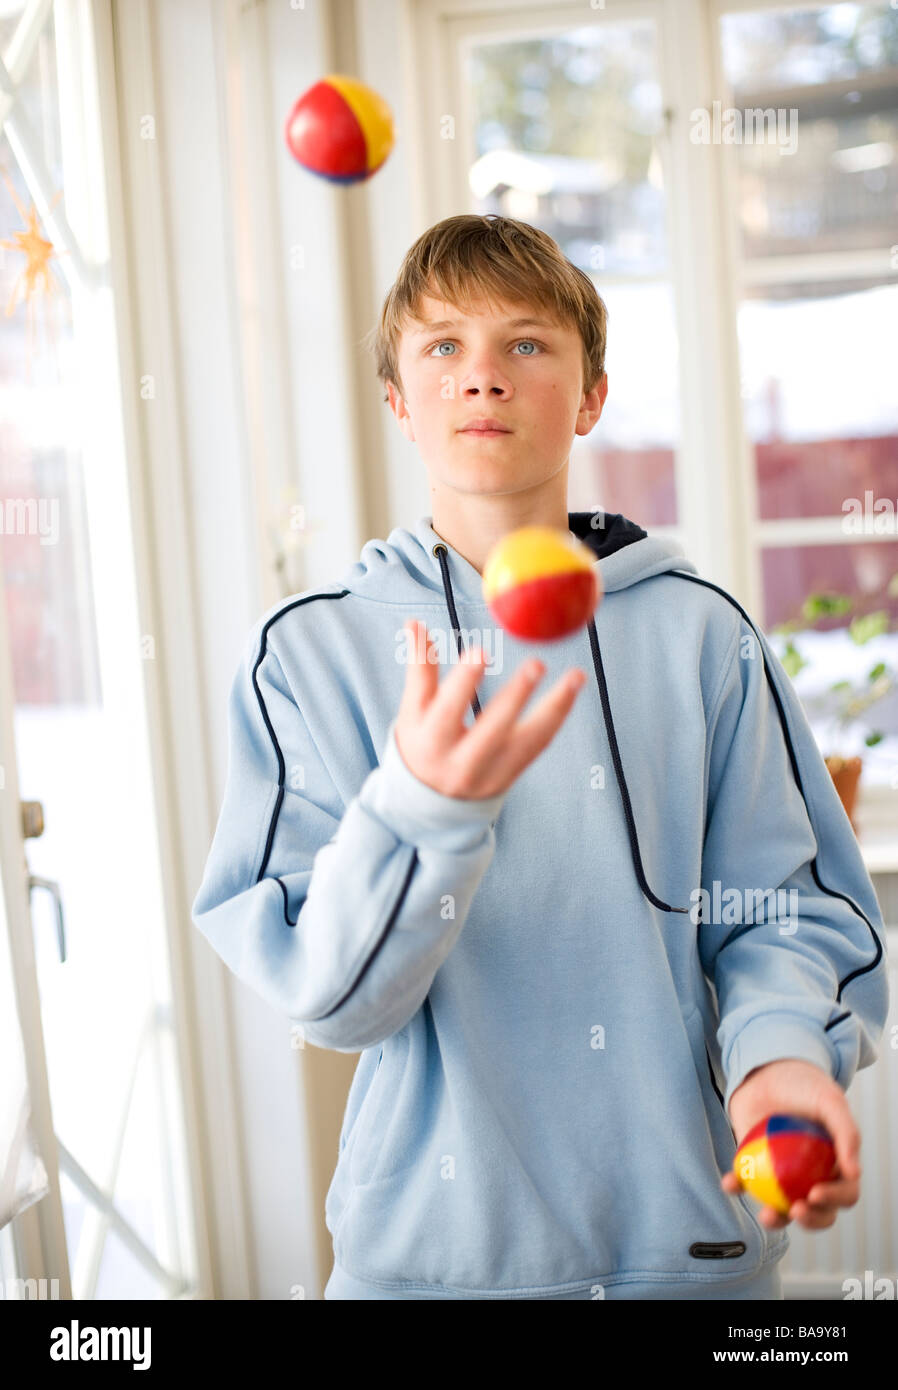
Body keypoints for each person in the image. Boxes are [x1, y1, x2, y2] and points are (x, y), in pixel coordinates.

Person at [191, 213, 889, 1300]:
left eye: (524, 344)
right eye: (442, 349)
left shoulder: (702, 632)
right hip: (429, 1268)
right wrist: (420, 804)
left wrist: (784, 1059)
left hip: (691, 1258)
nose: (482, 379)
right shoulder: (306, 653)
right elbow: (331, 1001)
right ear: (398, 404)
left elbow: (783, 907)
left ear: (592, 394)